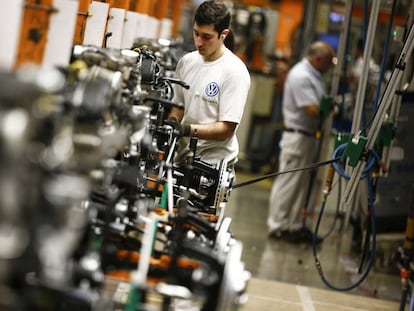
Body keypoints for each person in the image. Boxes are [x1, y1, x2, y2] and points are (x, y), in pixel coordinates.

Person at [167, 0, 251, 169]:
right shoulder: (187, 62)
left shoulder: (234, 71)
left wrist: (185, 129)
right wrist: (171, 123)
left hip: (213, 164)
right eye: (196, 33)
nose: (199, 42)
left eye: (206, 37)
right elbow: (179, 106)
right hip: (182, 157)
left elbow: (226, 129)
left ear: (223, 34)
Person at [267, 41, 335, 243]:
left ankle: (294, 226)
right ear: (319, 59)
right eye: (329, 62)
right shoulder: (301, 75)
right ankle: (277, 226)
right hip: (296, 137)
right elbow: (312, 109)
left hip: (307, 136)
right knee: (289, 183)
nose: (331, 67)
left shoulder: (314, 76)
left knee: (302, 185)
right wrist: (330, 108)